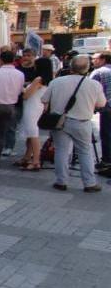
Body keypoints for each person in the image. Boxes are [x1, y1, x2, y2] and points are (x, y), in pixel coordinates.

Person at [43, 55, 106, 192]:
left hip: (59, 122)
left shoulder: (57, 82)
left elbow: (44, 99)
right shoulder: (94, 85)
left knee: (61, 151)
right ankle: (89, 183)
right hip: (82, 122)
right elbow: (101, 103)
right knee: (85, 152)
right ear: (87, 68)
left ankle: (61, 181)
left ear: (70, 66)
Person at [0, 51, 25, 169]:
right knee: (1, 134)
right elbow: (19, 91)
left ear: (0, 60)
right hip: (10, 106)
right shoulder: (20, 74)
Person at [18, 73, 47, 172]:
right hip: (37, 106)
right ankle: (27, 157)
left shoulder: (38, 79)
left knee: (32, 133)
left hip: (32, 106)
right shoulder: (46, 79)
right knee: (31, 133)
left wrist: (22, 89)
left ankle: (35, 161)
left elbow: (26, 95)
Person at [93, 52, 111, 167]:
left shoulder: (99, 72)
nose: (92, 61)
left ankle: (107, 161)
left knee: (107, 134)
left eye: (95, 58)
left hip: (107, 107)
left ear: (103, 59)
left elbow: (90, 88)